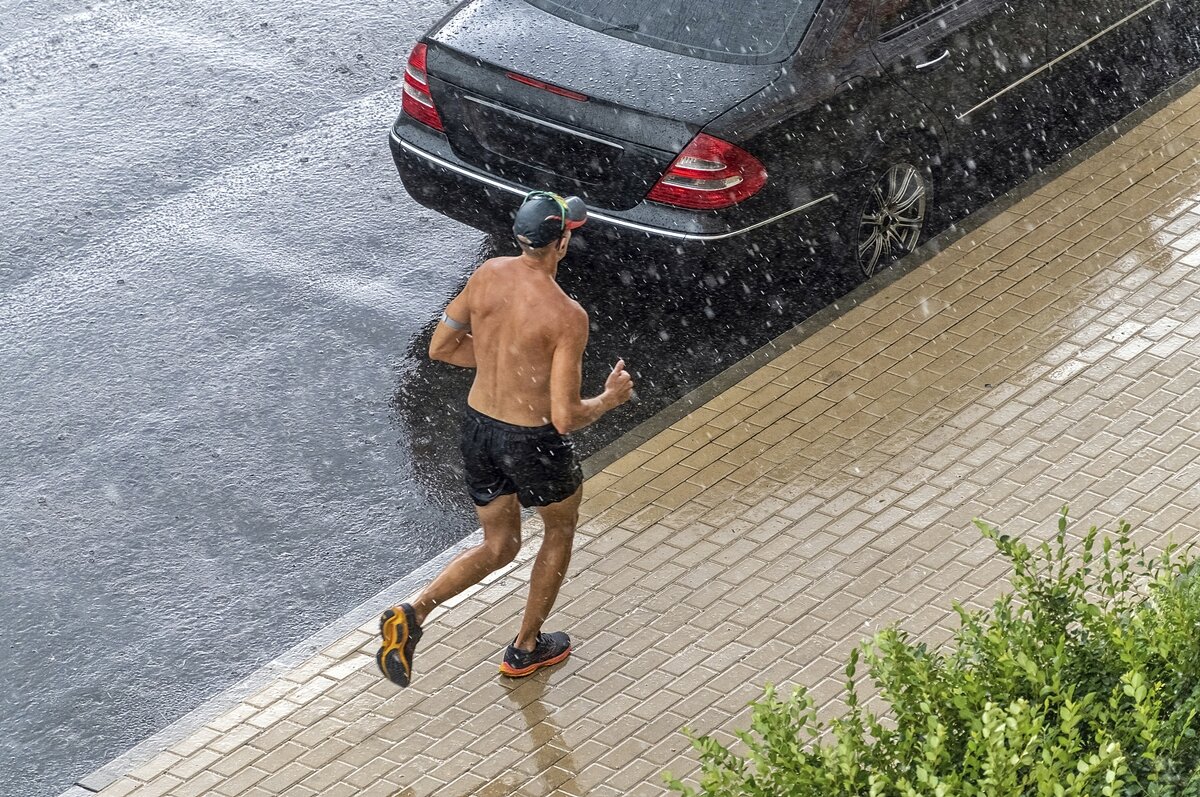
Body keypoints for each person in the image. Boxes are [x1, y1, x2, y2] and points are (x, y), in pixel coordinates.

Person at [377, 191, 634, 688]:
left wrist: (504, 360)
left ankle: (413, 612)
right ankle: (525, 649)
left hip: (478, 430)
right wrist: (608, 399)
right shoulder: (567, 316)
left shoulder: (487, 273)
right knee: (558, 530)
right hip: (532, 441)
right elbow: (564, 417)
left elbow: (442, 347)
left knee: (500, 544)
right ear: (560, 244)